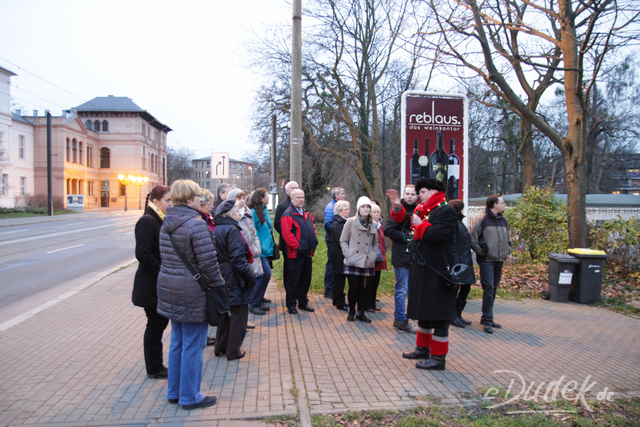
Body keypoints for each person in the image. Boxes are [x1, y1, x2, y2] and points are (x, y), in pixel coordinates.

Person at [157, 179, 227, 409]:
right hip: (192, 292)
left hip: (171, 289)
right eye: (198, 196)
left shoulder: (167, 221)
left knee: (177, 342)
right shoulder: (196, 224)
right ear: (189, 199)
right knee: (194, 346)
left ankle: (175, 392)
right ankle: (190, 396)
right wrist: (219, 286)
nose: (202, 200)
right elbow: (208, 264)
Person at [391, 178, 457, 371]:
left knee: (438, 316)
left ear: (435, 191)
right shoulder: (424, 211)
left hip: (438, 272)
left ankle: (438, 358)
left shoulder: (445, 211)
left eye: (423, 191)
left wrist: (420, 225)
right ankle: (422, 349)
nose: (420, 194)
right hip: (423, 270)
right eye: (419, 191)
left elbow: (439, 234)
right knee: (424, 313)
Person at [132, 185, 172, 379]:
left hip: (157, 283)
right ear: (156, 202)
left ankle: (156, 365)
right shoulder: (147, 221)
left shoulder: (160, 219)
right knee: (155, 325)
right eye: (168, 201)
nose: (170, 204)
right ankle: (154, 367)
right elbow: (143, 254)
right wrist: (163, 271)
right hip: (150, 285)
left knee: (158, 324)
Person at [212, 200, 257, 360]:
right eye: (237, 211)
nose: (240, 213)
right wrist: (251, 278)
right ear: (229, 214)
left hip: (222, 273)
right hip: (233, 276)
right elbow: (238, 260)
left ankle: (221, 347)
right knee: (239, 315)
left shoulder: (218, 228)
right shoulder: (232, 230)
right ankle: (233, 351)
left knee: (226, 313)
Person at [470, 194, 512, 334]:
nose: (504, 204)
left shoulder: (503, 220)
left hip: (499, 259)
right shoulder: (482, 219)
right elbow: (473, 238)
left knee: (493, 288)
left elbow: (508, 238)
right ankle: (487, 320)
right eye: (502, 202)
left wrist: (508, 249)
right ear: (494, 205)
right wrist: (481, 253)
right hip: (487, 260)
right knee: (488, 288)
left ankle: (487, 317)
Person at [383, 185, 418, 334]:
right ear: (403, 195)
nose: (410, 196)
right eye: (407, 194)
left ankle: (409, 316)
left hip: (417, 257)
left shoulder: (421, 210)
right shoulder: (398, 210)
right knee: (402, 289)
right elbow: (388, 229)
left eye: (413, 194)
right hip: (402, 255)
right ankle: (400, 319)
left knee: (413, 289)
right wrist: (406, 237)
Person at [340, 196, 379, 323]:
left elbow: (375, 243)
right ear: (358, 208)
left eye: (368, 207)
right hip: (353, 259)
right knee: (354, 287)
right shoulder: (351, 222)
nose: (366, 209)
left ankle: (361, 312)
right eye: (363, 207)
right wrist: (347, 253)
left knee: (365, 288)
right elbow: (343, 240)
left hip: (367, 261)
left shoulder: (373, 224)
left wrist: (373, 256)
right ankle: (351, 311)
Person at [280, 189, 318, 314]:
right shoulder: (287, 214)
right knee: (293, 280)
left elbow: (312, 228)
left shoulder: (306, 213)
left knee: (305, 279)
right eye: (298, 198)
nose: (301, 200)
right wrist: (299, 247)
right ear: (292, 199)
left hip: (308, 252)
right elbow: (287, 235)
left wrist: (314, 241)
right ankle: (291, 305)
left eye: (302, 197)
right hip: (296, 253)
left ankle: (303, 302)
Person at [448, 199, 476, 328]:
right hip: (459, 262)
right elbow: (453, 245)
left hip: (464, 261)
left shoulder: (459, 223)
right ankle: (453, 315)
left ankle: (457, 314)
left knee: (465, 287)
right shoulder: (454, 224)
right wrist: (456, 262)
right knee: (456, 289)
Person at [247, 188, 275, 315]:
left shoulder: (264, 211)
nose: (268, 198)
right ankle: (254, 303)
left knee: (264, 275)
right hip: (260, 250)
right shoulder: (253, 212)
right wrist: (260, 246)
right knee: (264, 274)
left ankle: (259, 300)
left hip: (267, 249)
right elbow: (251, 232)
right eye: (266, 196)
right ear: (261, 198)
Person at [197, 189, 217, 347]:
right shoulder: (200, 221)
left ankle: (204, 335)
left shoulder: (207, 218)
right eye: (209, 204)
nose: (212, 206)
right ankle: (202, 337)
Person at [274, 181, 299, 292]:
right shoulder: (282, 206)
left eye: (296, 187)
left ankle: (299, 291)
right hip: (287, 242)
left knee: (300, 269)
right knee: (289, 268)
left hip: (301, 242)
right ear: (287, 191)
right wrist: (288, 234)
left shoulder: (303, 205)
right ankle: (289, 291)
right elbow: (277, 224)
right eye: (292, 188)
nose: (294, 189)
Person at [323, 187, 346, 299]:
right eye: (342, 194)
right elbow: (327, 224)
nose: (344, 195)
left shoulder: (337, 206)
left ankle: (336, 288)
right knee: (332, 264)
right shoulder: (330, 208)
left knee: (337, 264)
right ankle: (329, 289)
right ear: (336, 196)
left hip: (338, 239)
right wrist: (337, 234)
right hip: (333, 240)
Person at [329, 200, 350, 311]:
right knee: (339, 279)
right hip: (339, 256)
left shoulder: (342, 222)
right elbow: (340, 240)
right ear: (340, 211)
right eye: (346, 209)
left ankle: (336, 299)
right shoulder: (339, 223)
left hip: (339, 255)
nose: (348, 211)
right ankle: (340, 302)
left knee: (339, 279)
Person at [366, 202, 387, 312]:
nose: (376, 214)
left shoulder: (380, 226)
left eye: (378, 212)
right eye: (374, 212)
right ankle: (367, 304)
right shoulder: (369, 225)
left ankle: (373, 302)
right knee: (369, 282)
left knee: (375, 282)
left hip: (379, 258)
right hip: (371, 258)